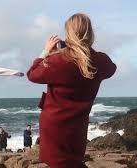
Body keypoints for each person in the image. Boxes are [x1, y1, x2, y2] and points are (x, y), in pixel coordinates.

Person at [27, 13, 116, 167]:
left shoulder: (58, 61)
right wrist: (86, 50)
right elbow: (111, 68)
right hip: (78, 125)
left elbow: (32, 74)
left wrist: (46, 52)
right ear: (90, 33)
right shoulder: (100, 60)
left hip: (54, 125)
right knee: (74, 162)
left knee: (55, 164)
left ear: (69, 34)